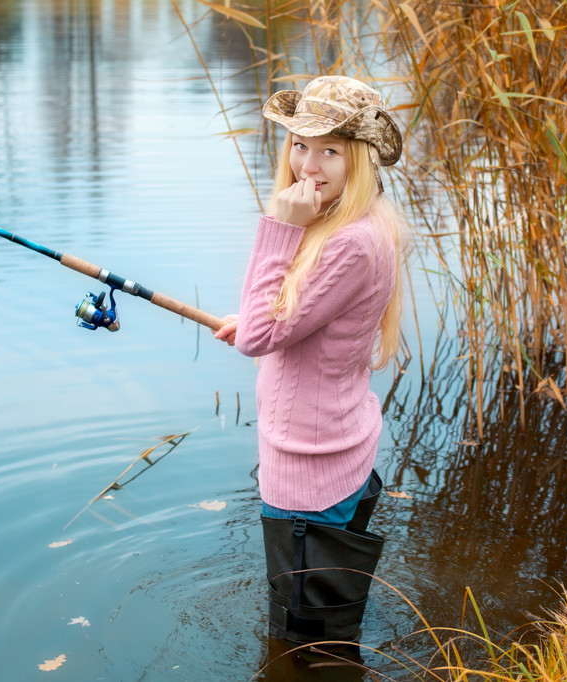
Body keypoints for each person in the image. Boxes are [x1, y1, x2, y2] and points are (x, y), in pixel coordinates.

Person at [214, 75, 404, 643]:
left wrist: (279, 229)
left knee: (305, 642)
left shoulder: (348, 241)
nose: (308, 165)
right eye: (300, 145)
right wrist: (256, 320)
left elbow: (258, 338)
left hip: (309, 472)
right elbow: (282, 320)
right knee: (322, 629)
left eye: (330, 150)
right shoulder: (358, 223)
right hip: (336, 450)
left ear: (361, 159)